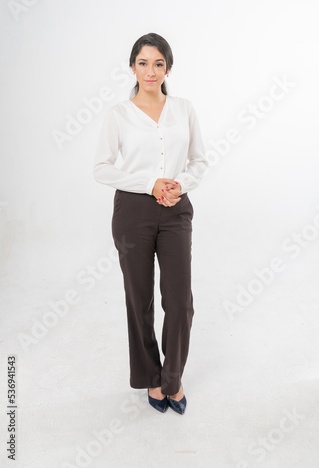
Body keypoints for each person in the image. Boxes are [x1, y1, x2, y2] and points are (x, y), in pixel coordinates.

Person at [93, 32, 208, 415]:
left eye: (159, 63)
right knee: (138, 300)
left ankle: (172, 379)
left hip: (176, 209)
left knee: (180, 303)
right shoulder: (118, 115)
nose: (151, 71)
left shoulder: (184, 108)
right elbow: (101, 168)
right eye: (143, 63)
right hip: (133, 213)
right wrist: (149, 183)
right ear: (132, 67)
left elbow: (199, 161)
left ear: (168, 68)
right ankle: (152, 379)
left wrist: (180, 184)